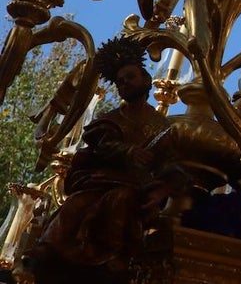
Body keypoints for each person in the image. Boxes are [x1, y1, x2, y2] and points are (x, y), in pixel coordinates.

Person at [25, 36, 182, 284]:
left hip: (133, 188)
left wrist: (161, 189)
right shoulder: (112, 118)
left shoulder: (161, 125)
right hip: (100, 181)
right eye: (120, 82)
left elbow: (169, 161)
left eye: (130, 77)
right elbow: (101, 145)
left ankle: (114, 256)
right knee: (75, 205)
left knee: (120, 201)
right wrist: (127, 152)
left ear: (146, 80)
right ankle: (46, 249)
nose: (125, 84)